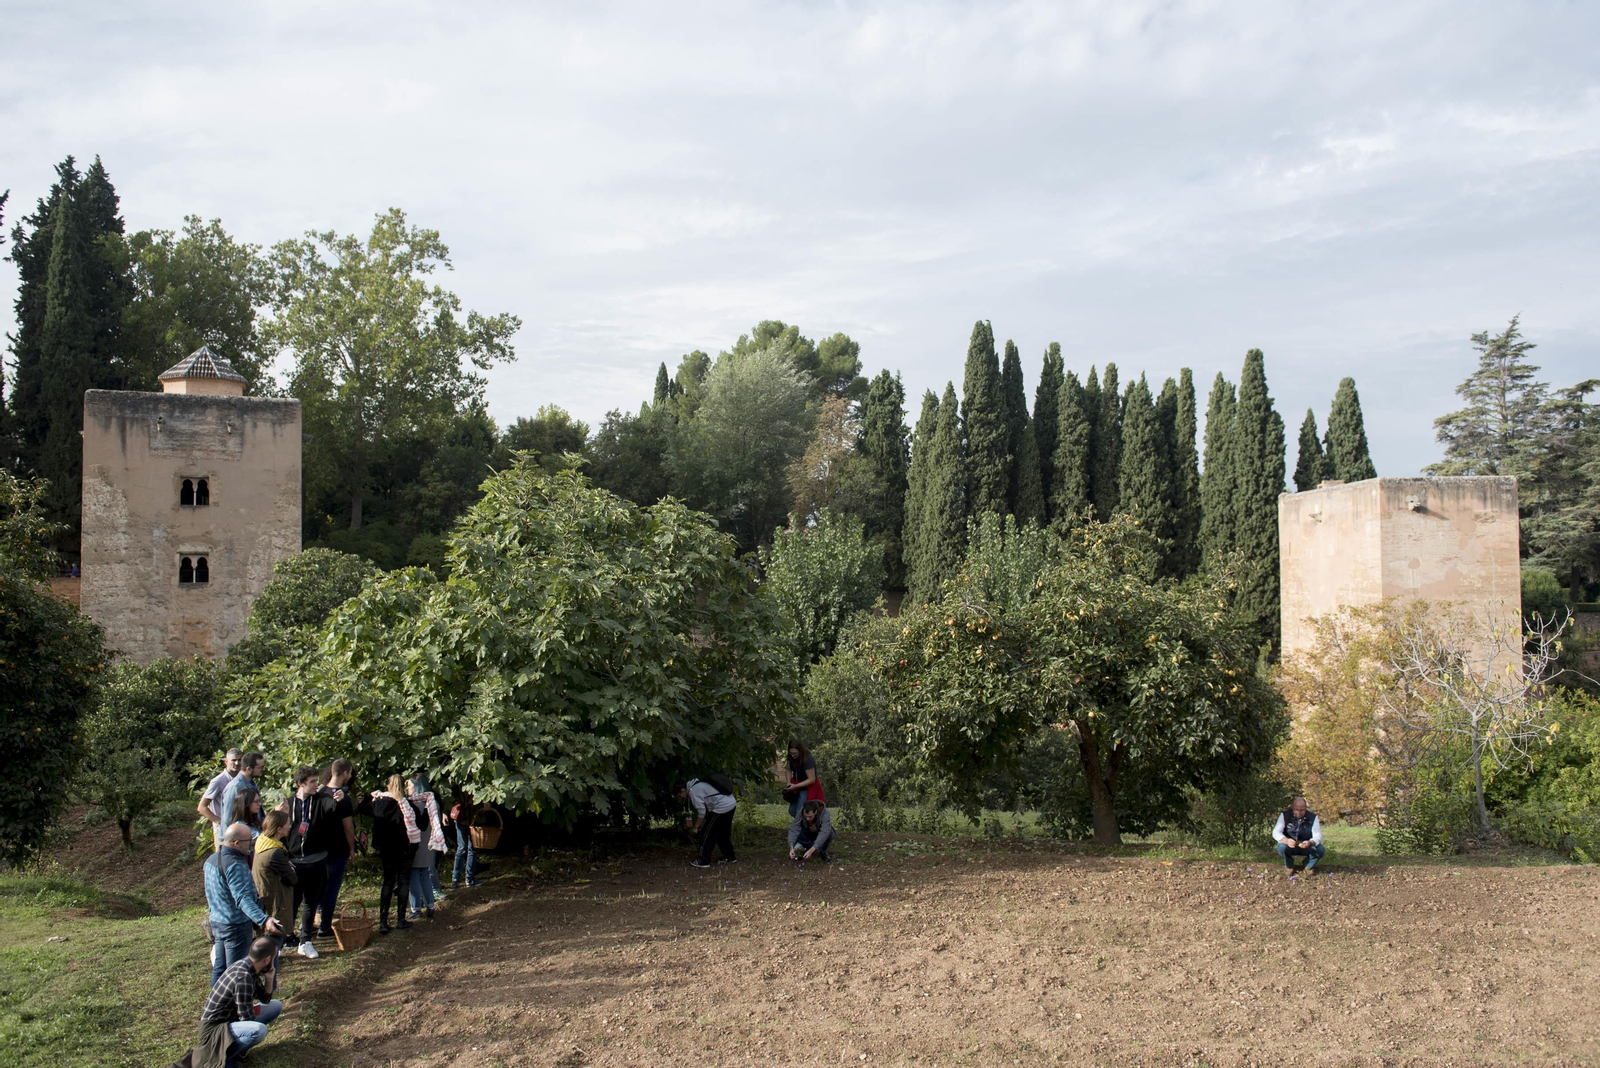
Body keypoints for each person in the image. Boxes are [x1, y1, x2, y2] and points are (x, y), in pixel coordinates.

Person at [168, 936, 284, 1068]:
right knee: (258, 1030)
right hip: (215, 1029)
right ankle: (227, 1054)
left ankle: (233, 1049)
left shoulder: (248, 966)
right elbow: (246, 1019)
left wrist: (269, 980)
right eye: (274, 958)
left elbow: (265, 999)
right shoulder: (243, 978)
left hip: (229, 1019)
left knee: (275, 1006)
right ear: (267, 959)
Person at [204, 823, 284, 986]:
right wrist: (264, 919)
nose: (252, 844)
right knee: (237, 972)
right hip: (235, 926)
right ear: (236, 843)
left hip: (218, 922)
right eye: (249, 840)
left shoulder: (211, 859)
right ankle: (232, 1008)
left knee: (220, 968)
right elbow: (242, 899)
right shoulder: (236, 865)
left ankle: (216, 1003)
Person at [284, 765, 332, 959]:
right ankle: (287, 937)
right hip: (295, 862)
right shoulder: (287, 805)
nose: (316, 785)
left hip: (317, 860)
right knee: (292, 902)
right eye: (312, 782)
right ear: (300, 784)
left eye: (316, 781)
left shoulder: (320, 800)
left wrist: (338, 800)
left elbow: (331, 807)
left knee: (310, 901)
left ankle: (305, 941)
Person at [362, 775, 414, 934]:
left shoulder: (379, 804)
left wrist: (371, 795)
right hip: (404, 846)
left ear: (387, 786)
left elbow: (361, 809)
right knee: (403, 880)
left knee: (388, 881)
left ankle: (383, 922)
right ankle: (401, 919)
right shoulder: (406, 804)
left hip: (386, 848)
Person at [250, 810, 297, 989]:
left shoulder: (262, 843)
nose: (290, 826)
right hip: (276, 904)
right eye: (287, 824)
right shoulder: (275, 852)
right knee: (273, 950)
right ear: (278, 829)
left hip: (265, 900)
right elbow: (292, 880)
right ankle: (271, 989)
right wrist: (290, 870)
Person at [314, 758, 357, 938]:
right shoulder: (343, 798)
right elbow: (348, 827)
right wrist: (352, 848)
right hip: (337, 849)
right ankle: (325, 926)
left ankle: (313, 921)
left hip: (319, 849)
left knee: (319, 888)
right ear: (345, 773)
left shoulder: (319, 793)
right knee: (332, 889)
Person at [405, 772, 447, 919]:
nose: (407, 788)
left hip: (415, 844)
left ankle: (416, 908)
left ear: (416, 786)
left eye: (409, 785)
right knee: (424, 874)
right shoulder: (432, 801)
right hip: (429, 844)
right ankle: (430, 905)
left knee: (414, 876)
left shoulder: (413, 804)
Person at [678, 777, 737, 868]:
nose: (681, 797)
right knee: (723, 833)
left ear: (682, 790)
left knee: (707, 834)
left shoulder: (693, 792)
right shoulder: (697, 784)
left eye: (679, 795)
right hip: (731, 803)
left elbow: (702, 812)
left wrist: (696, 827)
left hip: (721, 807)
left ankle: (703, 861)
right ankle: (730, 856)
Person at [216, 752, 265, 848]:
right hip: (236, 846)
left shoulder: (251, 784)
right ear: (248, 769)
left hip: (251, 841)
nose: (262, 770)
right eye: (260, 767)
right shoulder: (235, 787)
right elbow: (229, 819)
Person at [198, 749, 243, 850]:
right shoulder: (218, 781)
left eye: (239, 760)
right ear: (226, 762)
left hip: (239, 829)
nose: (237, 763)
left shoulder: (242, 780)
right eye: (233, 760)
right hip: (223, 832)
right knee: (224, 861)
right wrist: (220, 821)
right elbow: (202, 807)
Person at [1273, 796, 1326, 873]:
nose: (1299, 812)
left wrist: (1310, 843)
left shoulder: (1313, 817)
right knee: (1282, 847)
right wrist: (1287, 840)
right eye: (1296, 810)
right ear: (1292, 807)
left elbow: (1318, 835)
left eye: (1302, 810)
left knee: (1320, 850)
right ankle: (1289, 866)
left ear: (1306, 808)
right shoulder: (1285, 815)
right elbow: (1276, 832)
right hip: (1290, 845)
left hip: (1306, 845)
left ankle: (1308, 866)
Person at [448, 789, 479, 890]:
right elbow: (449, 796)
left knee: (473, 849)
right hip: (462, 819)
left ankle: (469, 879)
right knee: (462, 848)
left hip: (474, 819)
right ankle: (455, 880)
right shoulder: (458, 785)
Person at [784, 742, 824, 820]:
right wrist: (788, 782)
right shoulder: (791, 757)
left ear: (800, 751)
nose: (793, 755)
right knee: (792, 811)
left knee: (800, 812)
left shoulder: (808, 759)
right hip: (796, 786)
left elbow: (811, 779)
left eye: (795, 753)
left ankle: (803, 828)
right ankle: (805, 825)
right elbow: (788, 769)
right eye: (791, 753)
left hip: (807, 787)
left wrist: (795, 786)